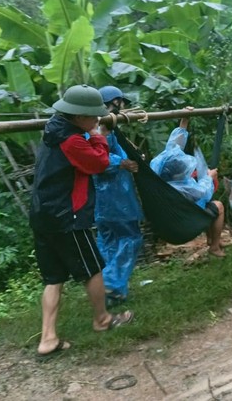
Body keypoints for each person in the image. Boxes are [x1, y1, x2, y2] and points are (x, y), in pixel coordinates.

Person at [29, 84, 134, 357]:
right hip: (67, 215)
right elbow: (99, 163)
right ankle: (102, 319)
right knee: (93, 268)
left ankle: (48, 339)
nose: (97, 119)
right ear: (77, 116)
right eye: (93, 116)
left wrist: (92, 130)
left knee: (54, 278)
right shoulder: (73, 140)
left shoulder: (54, 128)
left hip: (43, 214)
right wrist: (98, 135)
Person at [150, 108, 226, 257]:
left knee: (205, 206)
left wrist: (184, 121)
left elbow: (173, 148)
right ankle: (215, 246)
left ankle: (211, 239)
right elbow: (204, 192)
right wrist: (209, 177)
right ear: (180, 172)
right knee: (218, 206)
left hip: (169, 219)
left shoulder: (158, 173)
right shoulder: (185, 187)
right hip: (185, 222)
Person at [94, 86, 144, 306]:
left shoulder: (105, 128)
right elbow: (98, 159)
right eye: (119, 103)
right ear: (112, 103)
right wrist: (122, 163)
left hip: (102, 202)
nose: (122, 107)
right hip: (116, 198)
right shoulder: (99, 128)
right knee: (130, 238)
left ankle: (112, 293)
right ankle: (111, 283)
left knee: (108, 243)